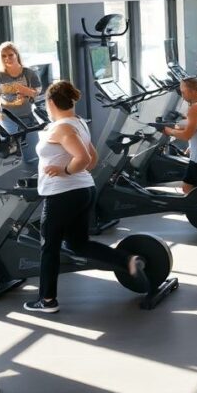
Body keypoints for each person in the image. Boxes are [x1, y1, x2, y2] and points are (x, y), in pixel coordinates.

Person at [24, 80, 148, 314]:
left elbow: (82, 158)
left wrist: (64, 170)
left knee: (49, 247)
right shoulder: (78, 123)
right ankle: (126, 261)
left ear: (51, 103)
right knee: (78, 244)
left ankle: (47, 300)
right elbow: (92, 159)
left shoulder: (62, 128)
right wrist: (70, 168)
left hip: (62, 194)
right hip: (83, 191)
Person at [0, 42, 42, 165]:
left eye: (10, 55)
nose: (7, 58)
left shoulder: (28, 73)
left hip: (27, 118)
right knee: (13, 157)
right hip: (7, 119)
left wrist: (28, 91)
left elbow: (38, 91)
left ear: (16, 55)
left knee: (33, 155)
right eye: (3, 56)